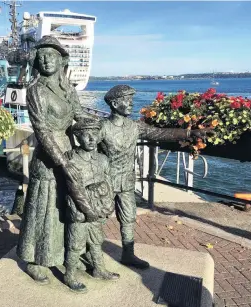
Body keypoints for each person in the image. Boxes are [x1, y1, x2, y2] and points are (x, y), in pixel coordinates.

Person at [98, 85, 213, 269]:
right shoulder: (102, 127)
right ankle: (92, 256)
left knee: (128, 217)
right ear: (114, 103)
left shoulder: (134, 126)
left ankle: (128, 254)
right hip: (105, 180)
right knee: (98, 217)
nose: (131, 104)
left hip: (126, 180)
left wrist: (190, 133)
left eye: (131, 100)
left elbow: (160, 133)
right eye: (126, 100)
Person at [16, 36, 98, 284]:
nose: (45, 59)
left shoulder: (69, 90)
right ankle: (36, 259)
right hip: (48, 155)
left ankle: (66, 254)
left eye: (51, 55)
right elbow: (41, 130)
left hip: (69, 149)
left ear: (62, 60)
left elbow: (80, 116)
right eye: (41, 56)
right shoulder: (35, 91)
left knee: (66, 207)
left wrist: (102, 131)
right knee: (44, 207)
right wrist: (62, 162)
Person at [64, 118, 119, 293]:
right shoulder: (71, 159)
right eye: (86, 135)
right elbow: (74, 188)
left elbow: (108, 182)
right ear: (78, 137)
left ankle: (99, 269)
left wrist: (108, 204)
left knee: (96, 240)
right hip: (80, 210)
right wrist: (87, 210)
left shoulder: (102, 159)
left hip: (98, 207)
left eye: (95, 135)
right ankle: (70, 275)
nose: (91, 139)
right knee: (75, 244)